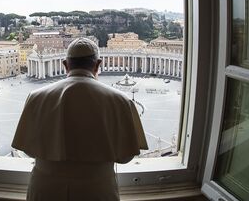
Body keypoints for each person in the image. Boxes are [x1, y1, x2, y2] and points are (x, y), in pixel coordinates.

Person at [12, 37, 148, 201]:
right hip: (97, 190)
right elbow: (126, 157)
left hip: (45, 189)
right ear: (98, 64)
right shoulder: (122, 101)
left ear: (65, 64)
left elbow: (28, 150)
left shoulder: (36, 97)